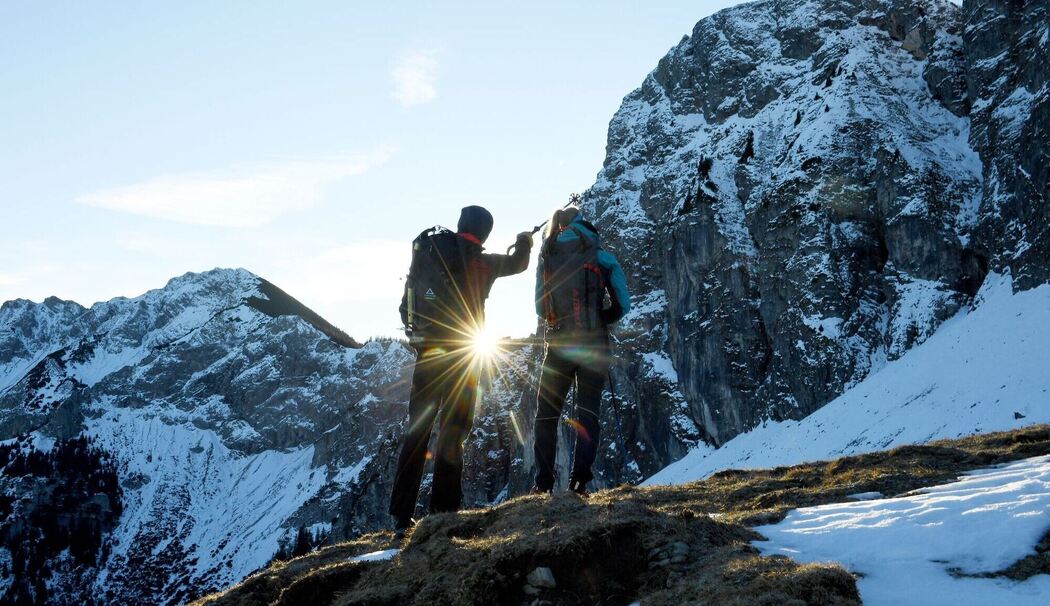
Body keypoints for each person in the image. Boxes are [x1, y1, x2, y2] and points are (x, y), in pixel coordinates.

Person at [390, 205, 533, 533]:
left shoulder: (430, 251)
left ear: (459, 225)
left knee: (418, 432)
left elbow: (406, 303)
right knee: (453, 433)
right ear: (484, 233)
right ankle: (442, 513)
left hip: (429, 355)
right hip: (465, 357)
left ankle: (400, 516)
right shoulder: (484, 262)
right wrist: (524, 241)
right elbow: (519, 264)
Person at [532, 206, 630, 497]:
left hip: (559, 344)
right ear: (582, 222)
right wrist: (603, 318)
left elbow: (539, 307)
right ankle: (579, 485)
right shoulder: (599, 253)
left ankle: (543, 484)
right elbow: (623, 303)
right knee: (587, 415)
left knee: (546, 416)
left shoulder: (548, 254)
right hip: (593, 345)